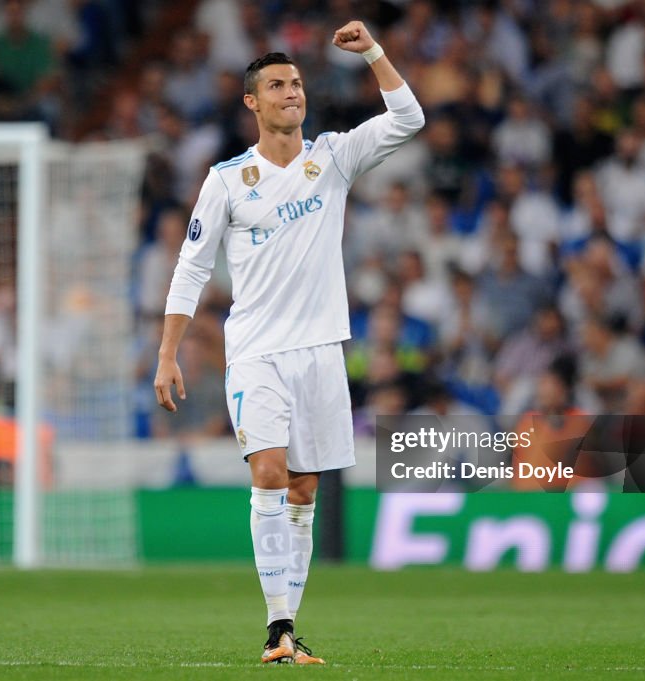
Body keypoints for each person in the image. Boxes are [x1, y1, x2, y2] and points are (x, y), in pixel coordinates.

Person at [154, 21, 424, 665]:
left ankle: (288, 629)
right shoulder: (226, 180)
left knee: (303, 488)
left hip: (323, 350)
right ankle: (276, 625)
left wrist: (376, 54)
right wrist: (166, 352)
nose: (291, 92)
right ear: (252, 102)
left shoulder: (333, 155)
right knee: (270, 475)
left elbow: (409, 117)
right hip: (256, 352)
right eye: (277, 85)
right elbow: (192, 266)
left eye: (297, 83)